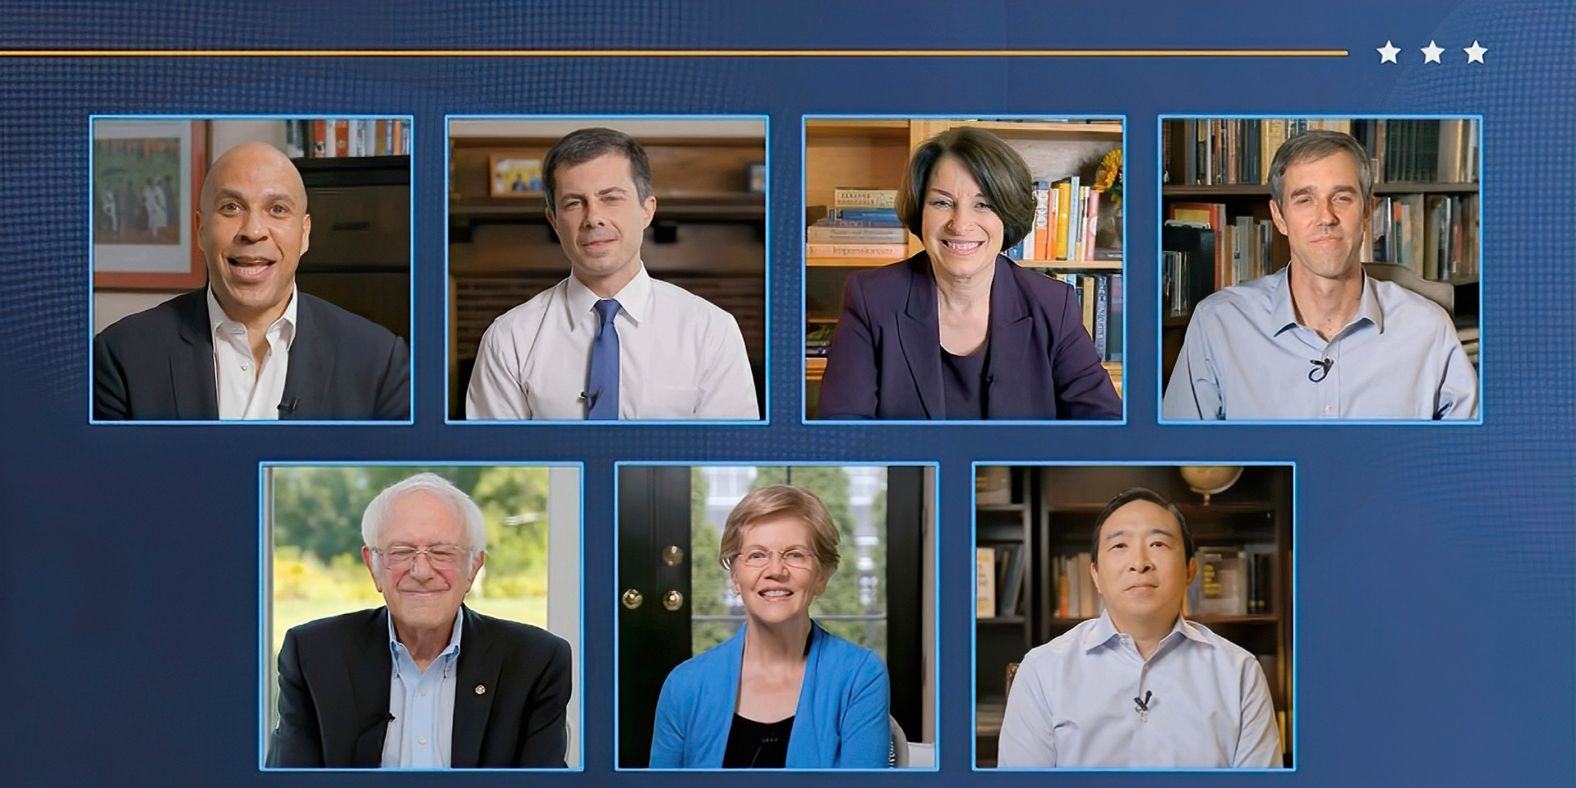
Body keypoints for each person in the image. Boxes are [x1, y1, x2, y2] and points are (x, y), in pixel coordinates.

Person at [1162, 129, 1478, 420]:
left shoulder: (1428, 329)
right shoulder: (1218, 325)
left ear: (1367, 212)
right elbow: (1181, 461)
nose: (1325, 217)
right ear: (1279, 217)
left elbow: (1470, 464)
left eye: (1342, 197)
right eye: (1304, 200)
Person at [267, 473, 572, 768]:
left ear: (473, 566)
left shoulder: (535, 661)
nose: (422, 571)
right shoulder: (313, 655)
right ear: (373, 566)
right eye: (401, 552)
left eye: (442, 552)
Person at [817, 126, 1121, 420]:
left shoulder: (1053, 304)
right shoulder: (871, 299)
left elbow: (1106, 429)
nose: (960, 225)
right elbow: (844, 432)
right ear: (919, 210)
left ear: (1008, 214)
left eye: (984, 205)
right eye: (942, 202)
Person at [93, 141, 409, 420]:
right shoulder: (121, 355)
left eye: (277, 209)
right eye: (231, 207)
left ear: (305, 234)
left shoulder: (380, 362)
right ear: (201, 229)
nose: (253, 230)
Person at [466, 127, 758, 420]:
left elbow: (731, 457)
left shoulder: (712, 331)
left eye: (610, 198)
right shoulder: (508, 339)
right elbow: (494, 460)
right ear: (554, 221)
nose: (593, 218)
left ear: (647, 210)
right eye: (574, 203)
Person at [997, 488, 1282, 768]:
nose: (1139, 563)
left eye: (1158, 544)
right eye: (1120, 546)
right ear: (1095, 575)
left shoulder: (1240, 672)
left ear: (1190, 571)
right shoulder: (1042, 670)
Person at [650, 485, 890, 768]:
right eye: (756, 555)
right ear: (735, 578)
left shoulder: (859, 676)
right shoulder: (684, 685)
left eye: (795, 554)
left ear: (822, 576)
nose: (775, 570)